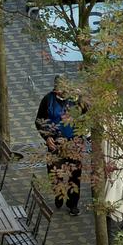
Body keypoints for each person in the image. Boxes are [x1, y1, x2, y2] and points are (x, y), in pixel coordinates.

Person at [36, 76, 86, 214]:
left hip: (74, 142)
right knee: (54, 172)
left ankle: (73, 203)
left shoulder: (76, 100)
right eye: (58, 90)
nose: (60, 93)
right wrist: (47, 137)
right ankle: (58, 194)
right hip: (55, 142)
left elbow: (88, 114)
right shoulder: (48, 99)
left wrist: (81, 97)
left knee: (75, 174)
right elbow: (39, 120)